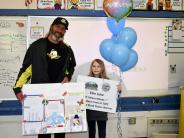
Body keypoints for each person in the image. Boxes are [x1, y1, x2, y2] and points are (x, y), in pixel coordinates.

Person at [13, 17, 76, 138]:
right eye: (58, 26)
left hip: (59, 97)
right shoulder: (36, 46)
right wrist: (17, 88)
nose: (60, 30)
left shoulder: (67, 50)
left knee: (59, 133)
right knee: (43, 134)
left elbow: (71, 66)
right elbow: (26, 69)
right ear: (52, 26)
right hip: (40, 98)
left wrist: (68, 76)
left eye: (63, 29)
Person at [87, 59, 122, 138]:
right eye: (94, 66)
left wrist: (118, 90)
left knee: (102, 133)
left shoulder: (107, 81)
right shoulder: (86, 80)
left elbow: (114, 97)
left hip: (102, 112)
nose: (96, 68)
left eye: (98, 66)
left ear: (102, 68)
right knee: (91, 133)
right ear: (91, 68)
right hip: (90, 111)